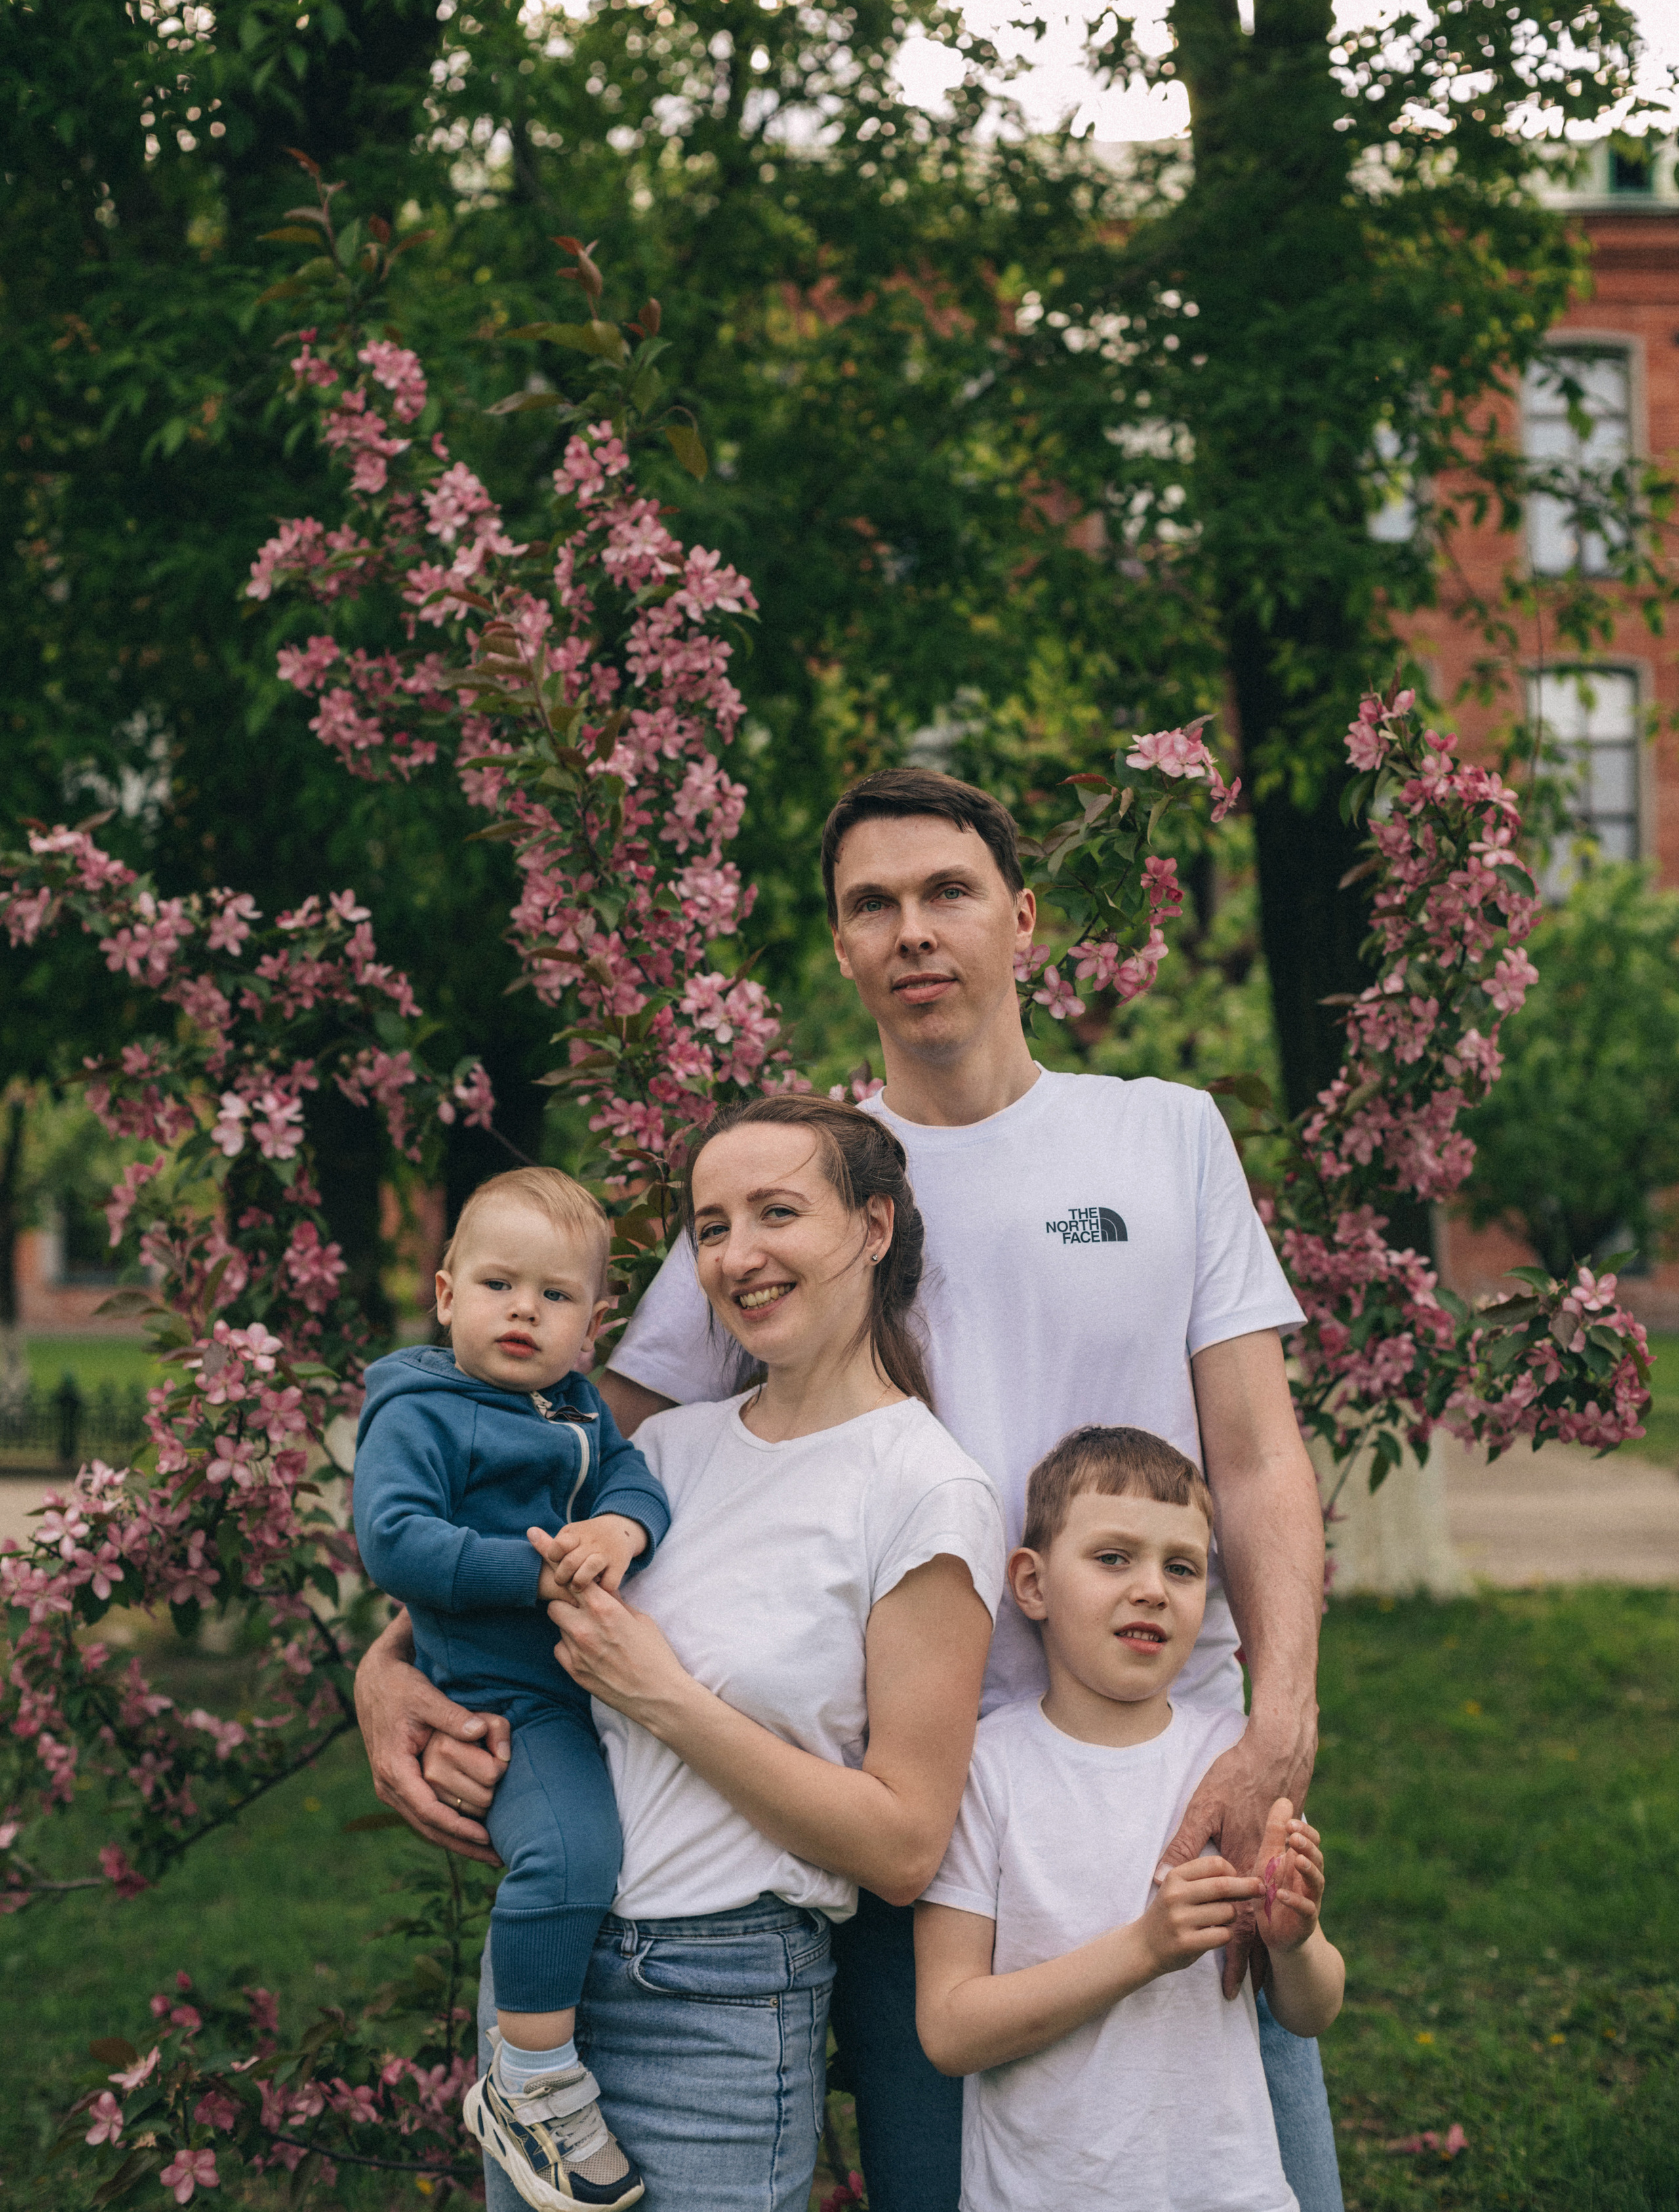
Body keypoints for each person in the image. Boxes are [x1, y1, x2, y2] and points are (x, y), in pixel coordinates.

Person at [357, 766, 1341, 2212]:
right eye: (869, 906)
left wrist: (1281, 1718)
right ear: (840, 947)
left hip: (1154, 1776)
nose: (912, 931)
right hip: (899, 1816)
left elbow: (1256, 1456)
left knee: (1253, 2179)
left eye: (946, 892)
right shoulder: (790, 1198)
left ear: (1020, 918)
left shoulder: (1164, 1133)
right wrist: (390, 1663)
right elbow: (554, 1462)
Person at [376, 1097, 1006, 2211]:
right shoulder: (657, 1453)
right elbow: (472, 1584)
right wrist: (386, 1679)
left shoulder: (926, 1488)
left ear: (873, 1229)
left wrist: (664, 1699)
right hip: (547, 1991)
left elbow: (907, 1846)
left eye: (776, 1213)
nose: (739, 1255)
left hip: (724, 1998)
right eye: (711, 1227)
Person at [915, 1424, 1343, 2212]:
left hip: (1228, 2192)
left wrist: (1297, 1943)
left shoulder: (1232, 1766)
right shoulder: (984, 1769)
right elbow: (949, 2030)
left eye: (1180, 1568)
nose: (1151, 1587)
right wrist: (1143, 1949)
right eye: (1113, 1557)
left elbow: (1310, 2013)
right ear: (1032, 1584)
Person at [353, 1168, 671, 2209]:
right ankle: (529, 2080)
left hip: (577, 1687)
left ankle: (533, 2064)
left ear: (595, 1320)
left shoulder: (575, 1407)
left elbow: (630, 1478)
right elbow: (395, 1540)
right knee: (574, 1854)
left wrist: (623, 1527)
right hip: (506, 1698)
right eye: (498, 1284)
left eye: (556, 1295)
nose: (524, 1310)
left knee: (583, 1846)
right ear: (446, 1295)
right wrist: (535, 1573)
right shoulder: (421, 1413)